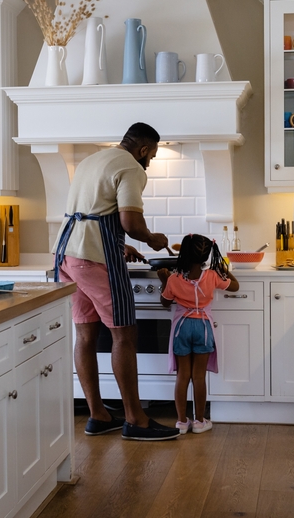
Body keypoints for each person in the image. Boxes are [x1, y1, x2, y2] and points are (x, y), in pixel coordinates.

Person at [53, 122, 181, 441]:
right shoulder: (132, 168)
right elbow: (131, 221)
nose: (149, 161)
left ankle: (98, 414)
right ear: (142, 149)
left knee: (84, 336)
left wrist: (119, 243)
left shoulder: (92, 160)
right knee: (124, 336)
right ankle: (136, 419)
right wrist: (152, 238)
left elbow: (90, 212)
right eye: (150, 155)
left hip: (66, 255)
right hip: (95, 260)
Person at [157, 233, 239, 434]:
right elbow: (235, 287)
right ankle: (200, 421)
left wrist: (164, 280)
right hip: (203, 328)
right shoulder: (212, 276)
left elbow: (165, 302)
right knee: (199, 376)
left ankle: (181, 422)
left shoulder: (174, 279)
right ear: (206, 256)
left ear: (183, 253)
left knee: (182, 376)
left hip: (181, 329)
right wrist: (224, 269)